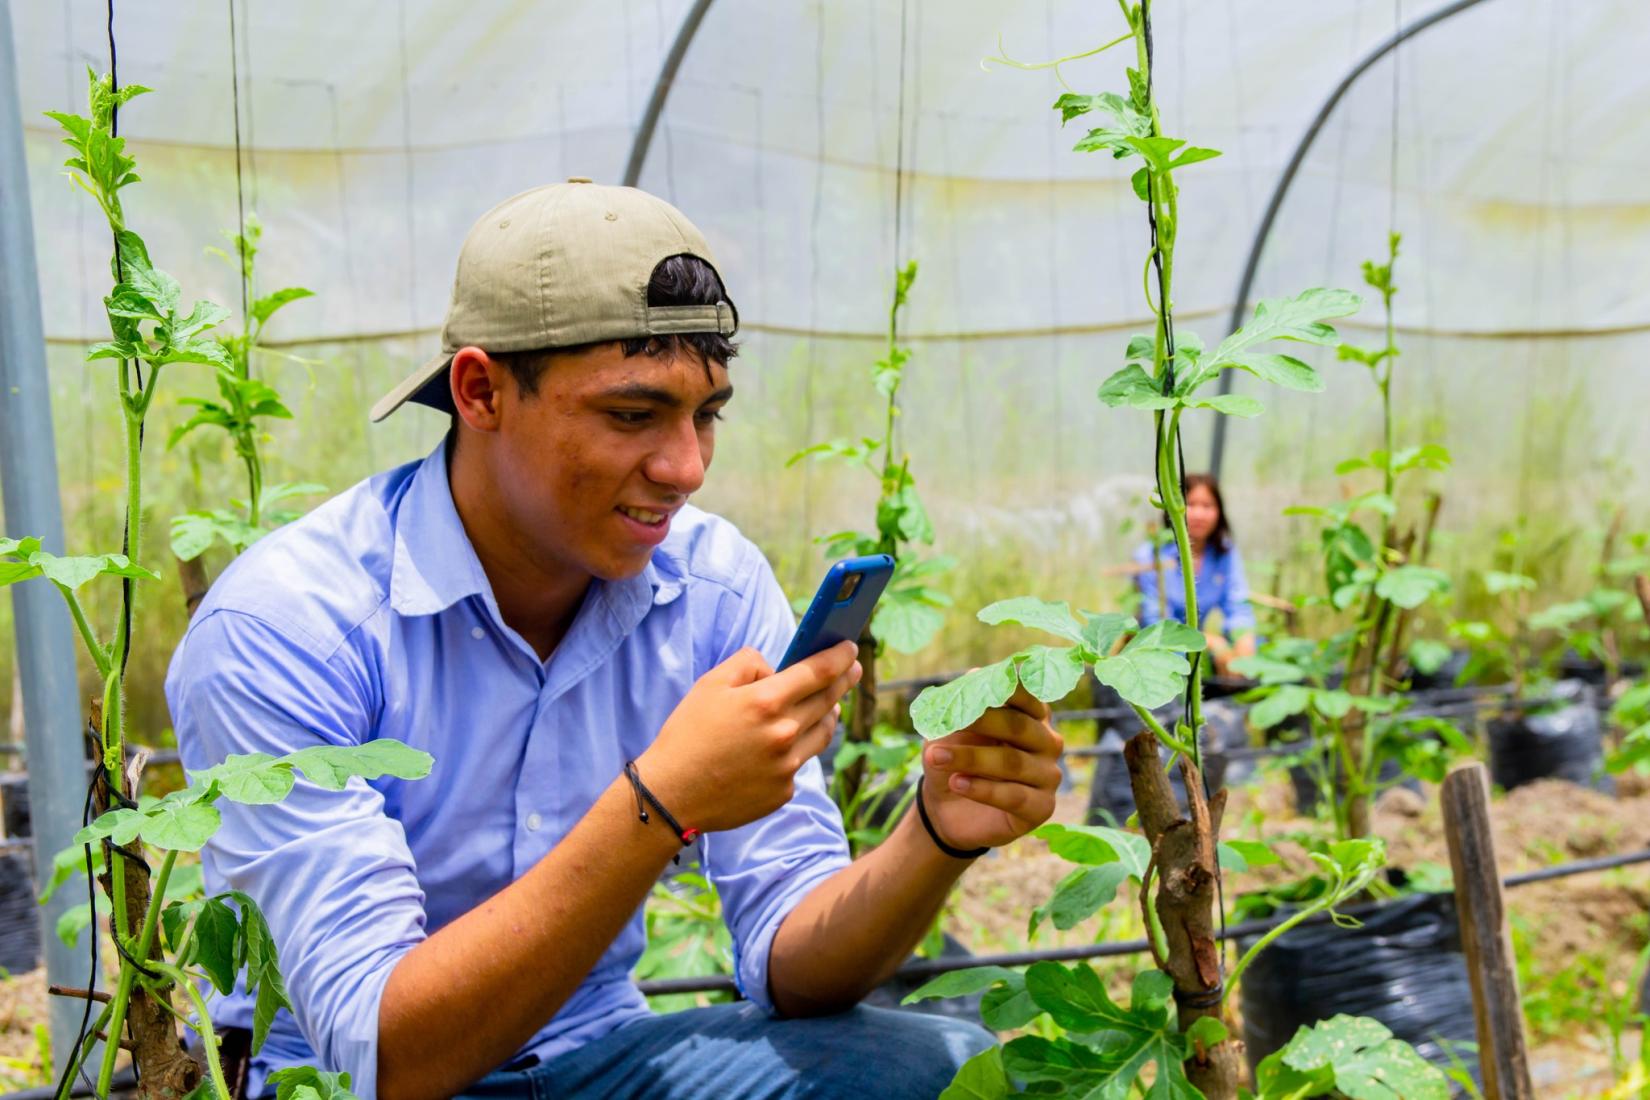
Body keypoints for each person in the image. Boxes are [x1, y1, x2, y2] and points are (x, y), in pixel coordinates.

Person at [167, 181, 1065, 1100]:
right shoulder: (289, 626)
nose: (685, 469)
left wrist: (935, 833)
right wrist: (660, 802)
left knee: (953, 1075)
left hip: (597, 1060)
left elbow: (794, 963)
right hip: (337, 1083)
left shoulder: (711, 589)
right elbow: (385, 1055)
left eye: (706, 414)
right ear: (480, 391)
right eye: (632, 416)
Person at [1132, 473, 1257, 676]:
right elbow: (1155, 622)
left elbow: (1238, 604)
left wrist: (1244, 639)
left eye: (1207, 506)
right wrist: (1210, 641)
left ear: (1219, 512)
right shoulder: (1150, 555)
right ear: (1173, 508)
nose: (1199, 514)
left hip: (1200, 645)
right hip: (1160, 646)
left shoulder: (1224, 552)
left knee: (1255, 654)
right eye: (1190, 504)